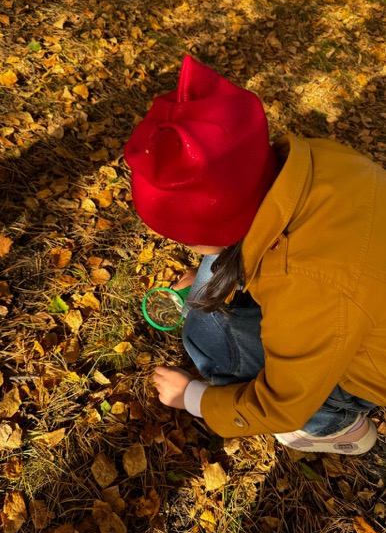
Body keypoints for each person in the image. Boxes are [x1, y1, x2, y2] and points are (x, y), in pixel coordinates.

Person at [124, 55, 386, 455]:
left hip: (366, 368)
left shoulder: (309, 282)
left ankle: (334, 421)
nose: (186, 248)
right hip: (362, 299)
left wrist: (193, 398)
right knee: (211, 279)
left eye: (188, 239)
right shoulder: (319, 161)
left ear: (221, 224)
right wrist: (208, 270)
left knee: (204, 328)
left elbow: (282, 403)